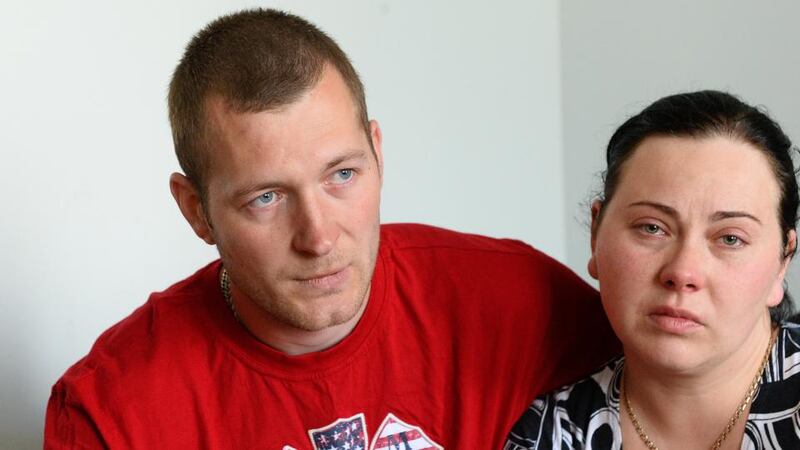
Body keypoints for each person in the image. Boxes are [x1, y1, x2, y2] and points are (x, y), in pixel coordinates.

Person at [44, 8, 619, 450]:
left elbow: (686, 385)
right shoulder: (113, 409)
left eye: (342, 174)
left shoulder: (511, 297)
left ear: (378, 153)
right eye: (265, 198)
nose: (318, 238)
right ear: (196, 210)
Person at [505, 90, 800, 450]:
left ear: (782, 261)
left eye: (730, 239)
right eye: (652, 228)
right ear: (596, 233)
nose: (683, 272)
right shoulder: (551, 429)